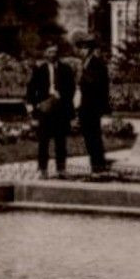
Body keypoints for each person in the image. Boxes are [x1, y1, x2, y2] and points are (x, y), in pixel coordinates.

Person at [26, 44, 76, 176]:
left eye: (55, 51)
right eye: (49, 52)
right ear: (45, 53)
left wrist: (63, 96)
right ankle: (43, 169)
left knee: (61, 141)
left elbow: (71, 90)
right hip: (45, 108)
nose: (52, 54)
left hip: (60, 109)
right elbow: (31, 90)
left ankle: (61, 168)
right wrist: (35, 108)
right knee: (44, 141)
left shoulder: (66, 69)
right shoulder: (40, 70)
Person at [76, 36, 111, 173]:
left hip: (93, 106)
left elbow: (99, 85)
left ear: (90, 49)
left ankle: (98, 165)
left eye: (85, 48)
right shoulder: (85, 63)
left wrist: (84, 78)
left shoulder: (96, 64)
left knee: (94, 136)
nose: (82, 51)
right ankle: (95, 164)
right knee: (88, 136)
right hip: (85, 105)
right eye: (81, 48)